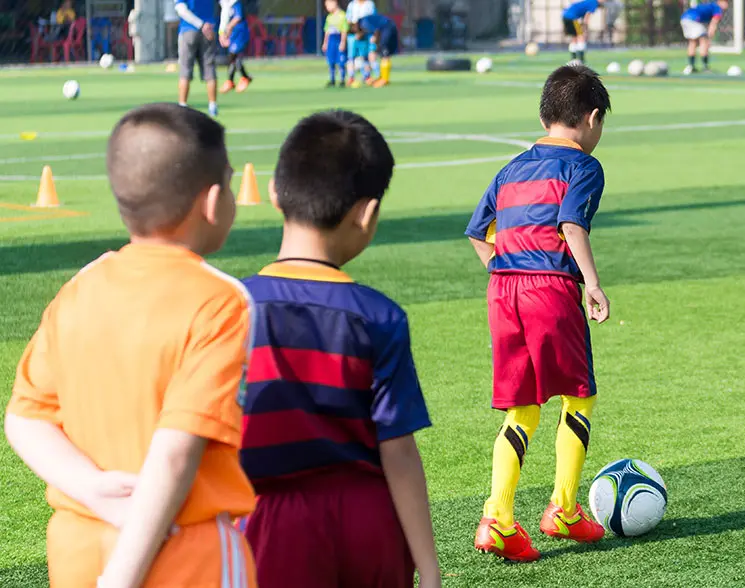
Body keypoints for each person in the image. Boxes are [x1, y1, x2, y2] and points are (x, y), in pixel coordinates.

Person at [5, 103, 255, 587]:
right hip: (183, 554)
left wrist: (91, 488)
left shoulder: (82, 286)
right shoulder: (220, 301)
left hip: (78, 547)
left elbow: (26, 417)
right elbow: (176, 452)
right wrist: (121, 577)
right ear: (211, 201)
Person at [239, 110, 440, 588]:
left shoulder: (229, 308)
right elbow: (399, 450)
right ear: (367, 214)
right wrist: (429, 569)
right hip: (366, 524)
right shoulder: (379, 316)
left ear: (274, 193)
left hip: (262, 524)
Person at [465, 65, 612, 563]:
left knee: (522, 406)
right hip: (549, 287)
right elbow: (571, 224)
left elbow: (477, 232)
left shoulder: (512, 168)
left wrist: (506, 269)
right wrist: (592, 284)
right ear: (592, 117)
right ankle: (564, 510)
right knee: (579, 396)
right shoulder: (583, 166)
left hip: (503, 289)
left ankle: (498, 519)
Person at [176, 0, 220, 116]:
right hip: (209, 29)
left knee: (185, 70)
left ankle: (182, 105)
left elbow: (181, 10)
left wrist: (201, 25)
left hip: (189, 28)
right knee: (209, 68)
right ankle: (212, 105)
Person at [680, 0, 728, 75]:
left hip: (684, 18)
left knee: (693, 42)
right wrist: (709, 36)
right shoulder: (717, 7)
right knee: (704, 41)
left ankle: (691, 67)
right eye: (725, 2)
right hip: (693, 19)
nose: (727, 4)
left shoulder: (710, 5)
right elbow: (714, 23)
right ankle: (705, 67)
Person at [218, 0, 252, 93]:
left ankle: (242, 78)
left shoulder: (236, 3)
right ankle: (233, 80)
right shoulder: (226, 5)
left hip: (240, 33)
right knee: (233, 57)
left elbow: (238, 17)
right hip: (233, 35)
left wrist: (228, 28)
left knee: (233, 56)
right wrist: (222, 33)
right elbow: (224, 18)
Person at [356, 13, 398, 87]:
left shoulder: (363, 22)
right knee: (385, 54)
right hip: (391, 26)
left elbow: (376, 30)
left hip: (387, 27)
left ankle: (384, 79)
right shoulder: (366, 19)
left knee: (384, 52)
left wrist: (375, 38)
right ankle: (383, 78)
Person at [561, 0, 605, 64]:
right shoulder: (594, 3)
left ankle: (573, 59)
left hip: (565, 16)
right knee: (581, 37)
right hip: (572, 17)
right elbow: (587, 16)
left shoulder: (590, 1)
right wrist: (585, 28)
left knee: (574, 37)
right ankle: (581, 60)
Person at [346, 0, 376, 86]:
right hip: (353, 35)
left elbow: (373, 20)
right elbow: (348, 20)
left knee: (365, 56)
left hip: (365, 34)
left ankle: (367, 77)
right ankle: (351, 77)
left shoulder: (370, 4)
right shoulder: (352, 5)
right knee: (351, 57)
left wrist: (363, 32)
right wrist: (356, 31)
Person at [323, 0, 349, 88]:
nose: (327, 8)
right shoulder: (329, 17)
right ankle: (332, 79)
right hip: (331, 41)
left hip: (338, 40)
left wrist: (343, 42)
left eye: (328, 5)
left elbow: (344, 30)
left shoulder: (342, 15)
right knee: (331, 61)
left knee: (341, 61)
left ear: (334, 3)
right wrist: (325, 43)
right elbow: (327, 31)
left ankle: (342, 80)